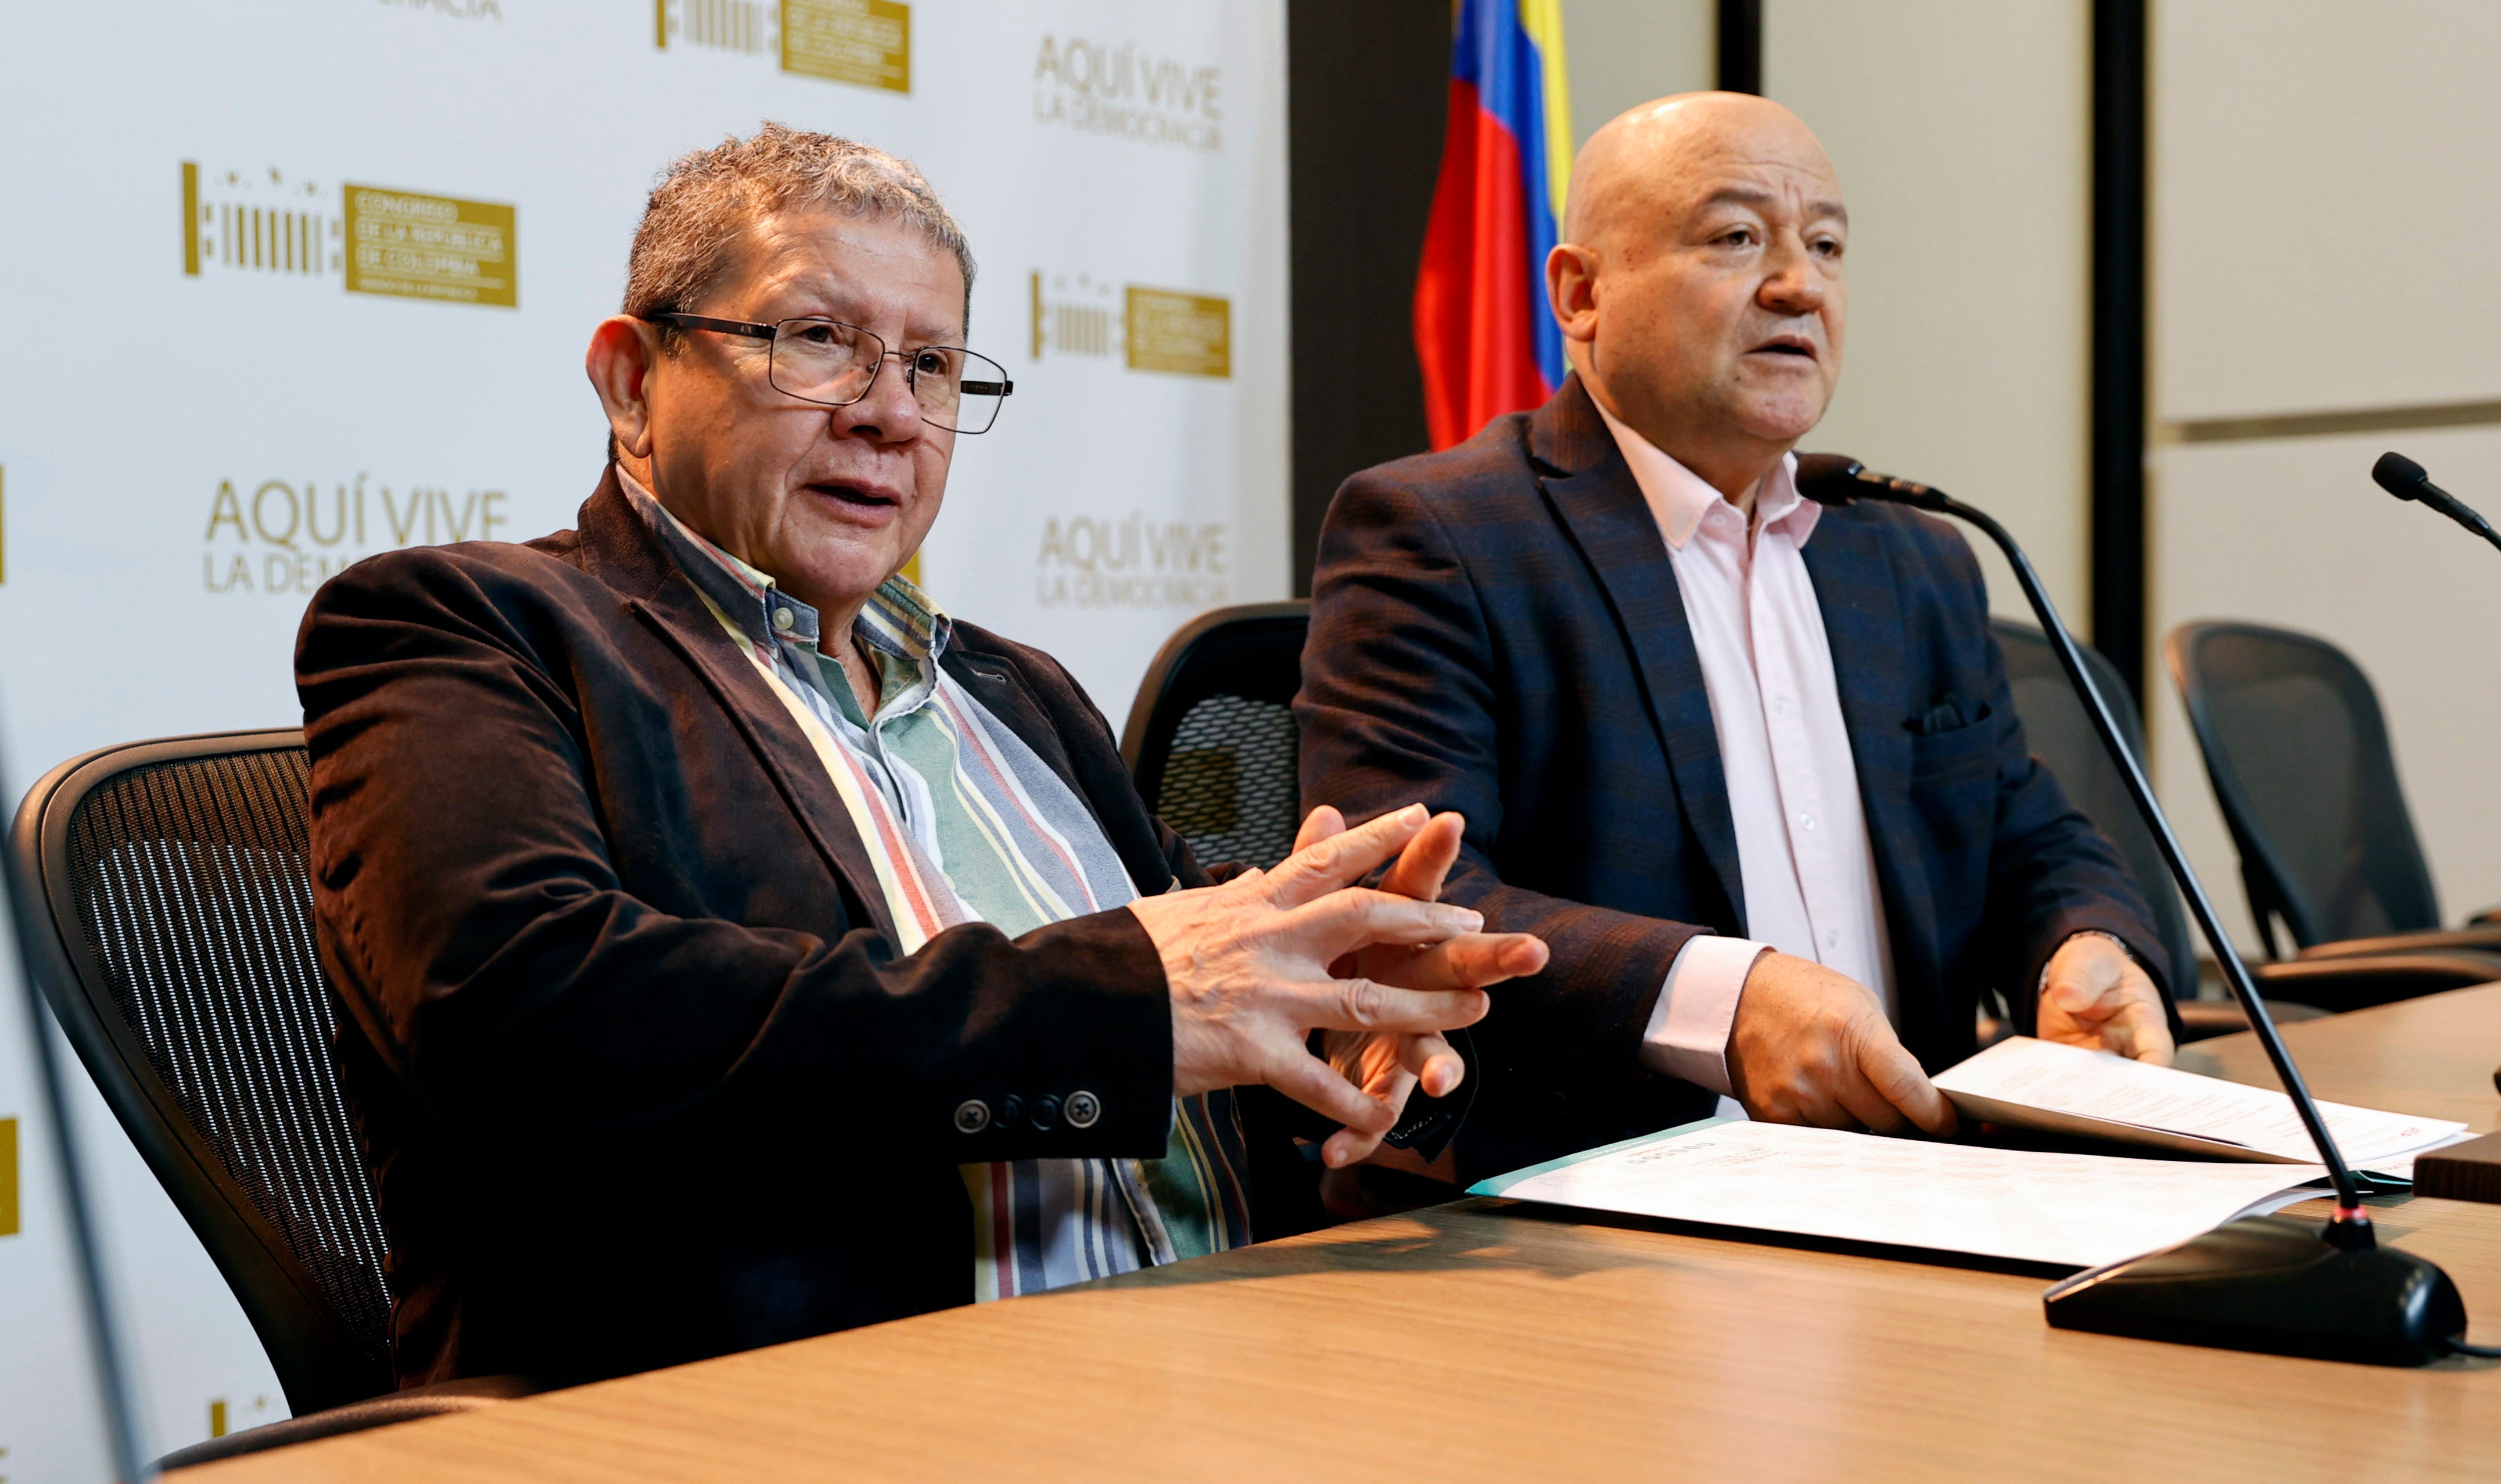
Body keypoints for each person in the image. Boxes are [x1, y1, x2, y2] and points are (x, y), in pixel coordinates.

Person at [296, 124, 1545, 1388]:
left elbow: (1185, 1013)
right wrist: (1119, 1006)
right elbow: (517, 1013)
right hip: (821, 1415)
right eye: (815, 339)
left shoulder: (1017, 691)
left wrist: (1336, 1021)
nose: (890, 414)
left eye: (933, 366)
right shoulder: (470, 626)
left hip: (1227, 1363)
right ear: (631, 386)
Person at [1297, 94, 2175, 1185]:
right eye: (1736, 238)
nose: (1799, 285)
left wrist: (2084, 945)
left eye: (1826, 247)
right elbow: (1406, 897)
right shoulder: (1442, 532)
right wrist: (1725, 1001)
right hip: (1605, 1197)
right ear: (1579, 294)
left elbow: (2024, 834)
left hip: (1929, 1182)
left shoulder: (1909, 557)